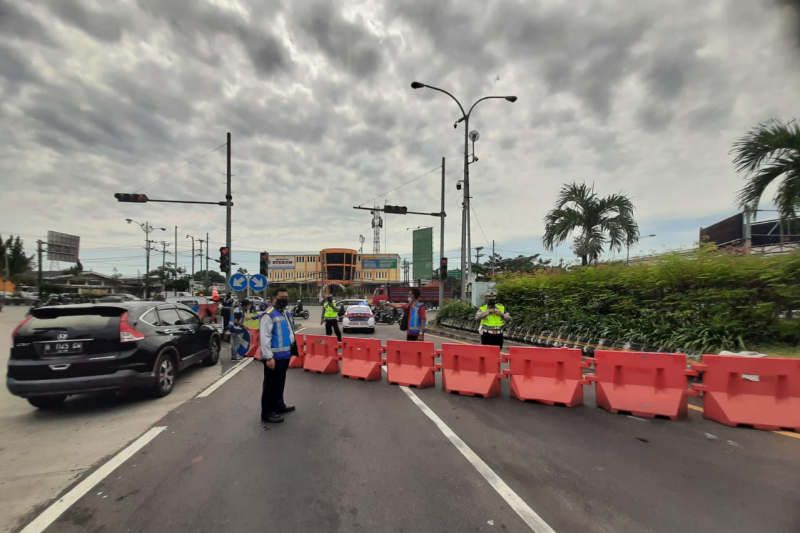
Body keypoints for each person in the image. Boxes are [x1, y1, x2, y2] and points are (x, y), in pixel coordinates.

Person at [259, 288, 296, 424]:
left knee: (280, 384)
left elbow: (289, 331)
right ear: (274, 298)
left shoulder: (285, 313)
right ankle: (267, 413)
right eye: (281, 297)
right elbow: (264, 337)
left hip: (284, 356)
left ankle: (279, 405)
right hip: (273, 358)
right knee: (270, 386)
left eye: (286, 297)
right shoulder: (268, 315)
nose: (284, 299)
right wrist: (268, 357)